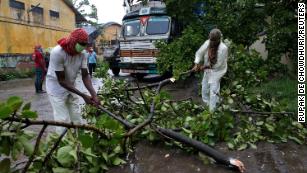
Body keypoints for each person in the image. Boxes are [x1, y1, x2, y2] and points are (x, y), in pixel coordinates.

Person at [46, 28, 100, 134]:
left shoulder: (83, 54)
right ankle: (64, 144)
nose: (83, 46)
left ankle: (79, 142)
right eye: (81, 43)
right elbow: (61, 81)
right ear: (73, 40)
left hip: (71, 86)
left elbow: (85, 76)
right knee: (63, 120)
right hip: (56, 89)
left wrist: (94, 95)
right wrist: (83, 96)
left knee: (76, 117)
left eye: (85, 44)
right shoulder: (57, 53)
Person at [192, 28, 228, 112]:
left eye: (214, 40)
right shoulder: (207, 42)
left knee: (213, 91)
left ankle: (212, 113)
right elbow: (199, 53)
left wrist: (203, 67)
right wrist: (196, 64)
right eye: (211, 40)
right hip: (208, 69)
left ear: (219, 39)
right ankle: (207, 104)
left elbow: (218, 65)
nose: (212, 42)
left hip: (217, 71)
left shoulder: (223, 48)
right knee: (204, 88)